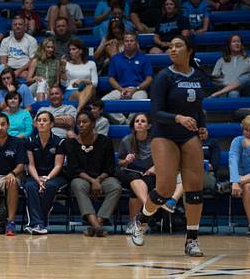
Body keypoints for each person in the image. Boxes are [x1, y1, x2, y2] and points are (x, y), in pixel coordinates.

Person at [130, 36, 212, 257]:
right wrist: (178, 118)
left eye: (178, 46)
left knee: (195, 188)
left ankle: (192, 241)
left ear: (190, 50)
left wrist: (202, 127)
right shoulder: (163, 77)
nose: (172, 49)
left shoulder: (198, 75)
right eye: (170, 46)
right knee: (165, 189)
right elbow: (156, 112)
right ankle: (141, 221)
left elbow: (199, 108)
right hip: (165, 134)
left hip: (189, 135)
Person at [64, 109, 121, 237]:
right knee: (77, 185)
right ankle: (97, 225)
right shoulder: (71, 143)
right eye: (78, 123)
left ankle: (95, 224)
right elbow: (74, 169)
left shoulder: (105, 141)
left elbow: (110, 168)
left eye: (85, 122)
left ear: (93, 124)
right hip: (82, 178)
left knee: (115, 187)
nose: (81, 125)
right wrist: (93, 181)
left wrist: (98, 180)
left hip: (103, 178)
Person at [22, 110, 67, 234]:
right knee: (30, 186)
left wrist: (46, 179)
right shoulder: (30, 140)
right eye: (39, 120)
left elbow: (58, 165)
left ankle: (39, 223)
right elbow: (30, 165)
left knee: (50, 186)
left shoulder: (60, 142)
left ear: (51, 124)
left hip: (55, 176)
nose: (41, 123)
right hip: (35, 175)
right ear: (35, 124)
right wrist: (38, 180)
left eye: (45, 120)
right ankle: (38, 224)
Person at [102, 31, 153, 123]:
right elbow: (111, 78)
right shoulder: (115, 58)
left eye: (131, 41)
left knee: (142, 101)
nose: (129, 43)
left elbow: (149, 79)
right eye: (126, 41)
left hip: (138, 89)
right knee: (103, 102)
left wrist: (136, 88)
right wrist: (121, 89)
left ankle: (131, 122)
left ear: (136, 43)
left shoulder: (144, 58)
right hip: (120, 89)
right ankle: (124, 122)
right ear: (123, 43)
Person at [210, 33, 250, 98]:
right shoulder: (221, 60)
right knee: (234, 93)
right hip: (226, 91)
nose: (237, 44)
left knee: (246, 77)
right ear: (229, 45)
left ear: (241, 44)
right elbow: (214, 78)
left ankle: (215, 94)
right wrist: (229, 84)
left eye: (238, 41)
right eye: (234, 42)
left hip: (245, 90)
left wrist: (241, 82)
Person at [62, 38, 98, 112]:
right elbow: (64, 84)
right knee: (83, 92)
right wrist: (62, 68)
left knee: (90, 87)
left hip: (88, 90)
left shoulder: (91, 64)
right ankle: (80, 109)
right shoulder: (66, 64)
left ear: (81, 51)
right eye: (70, 50)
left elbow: (95, 83)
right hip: (71, 91)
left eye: (74, 49)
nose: (71, 52)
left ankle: (78, 109)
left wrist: (83, 81)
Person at [0, 16, 37, 81]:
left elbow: (32, 60)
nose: (17, 26)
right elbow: (3, 61)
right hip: (9, 68)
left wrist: (18, 71)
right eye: (15, 24)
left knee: (27, 75)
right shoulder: (5, 40)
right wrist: (9, 73)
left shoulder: (31, 40)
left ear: (25, 27)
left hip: (24, 69)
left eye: (20, 24)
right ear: (12, 27)